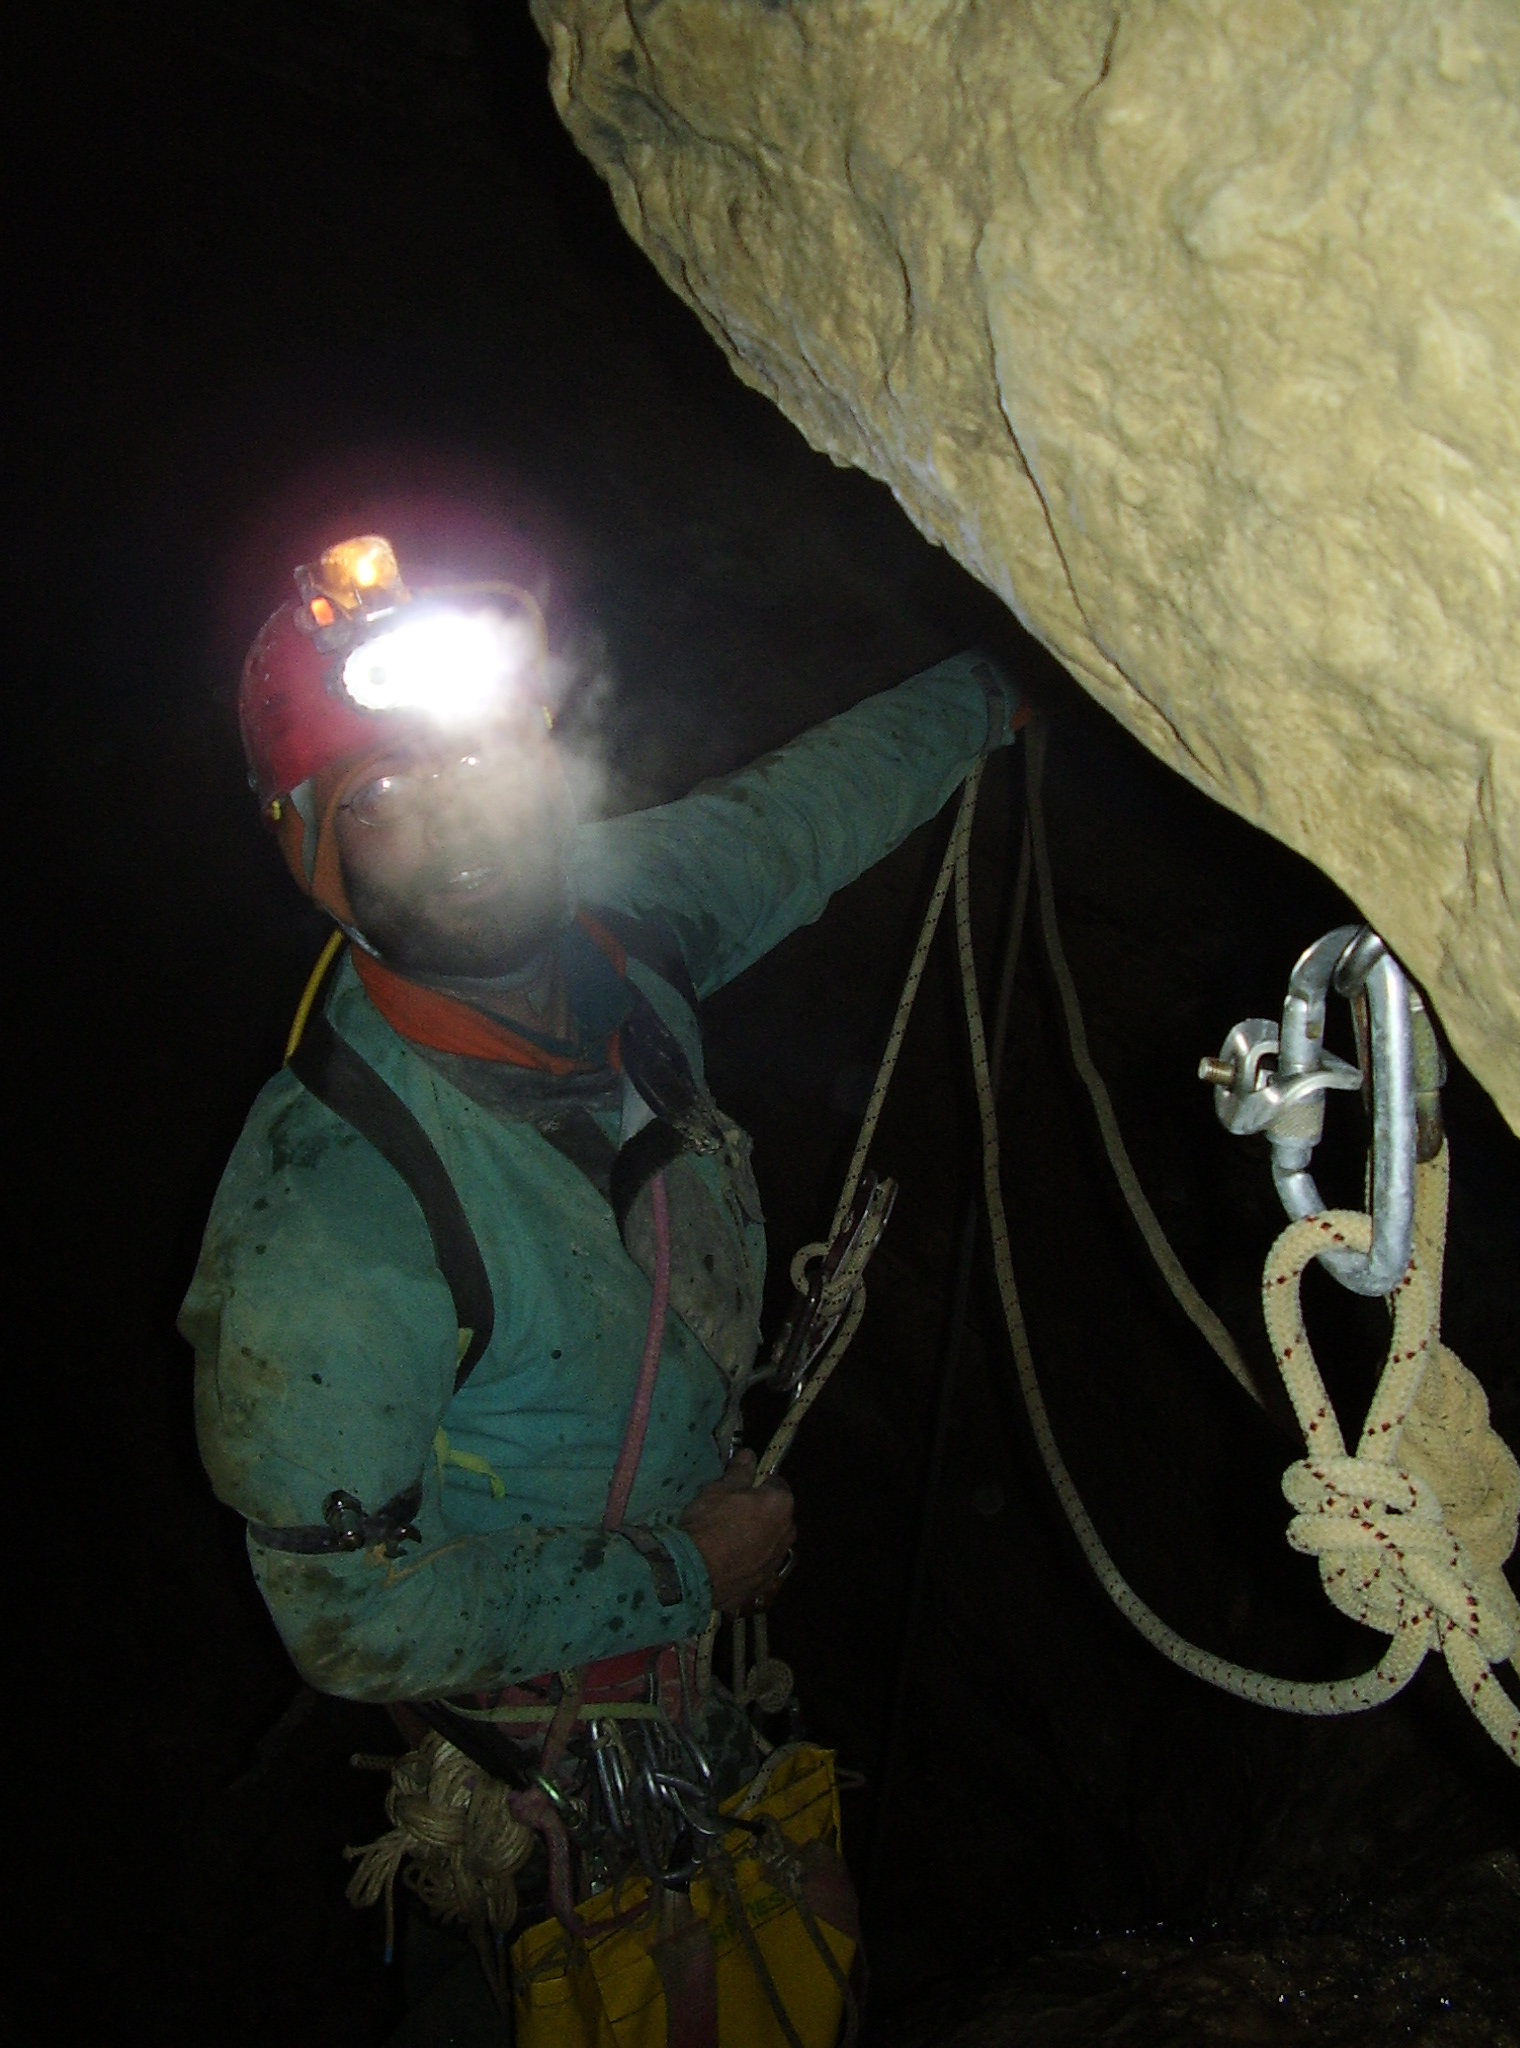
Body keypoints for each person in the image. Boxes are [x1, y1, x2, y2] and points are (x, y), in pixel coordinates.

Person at [180, 533, 1021, 1798]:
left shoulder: (623, 914)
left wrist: (1003, 686)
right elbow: (343, 1611)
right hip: (538, 1748)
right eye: (379, 794)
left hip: (686, 1649)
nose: (454, 815)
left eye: (478, 757)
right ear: (315, 853)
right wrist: (686, 1572)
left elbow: (799, 815)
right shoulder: (324, 1215)